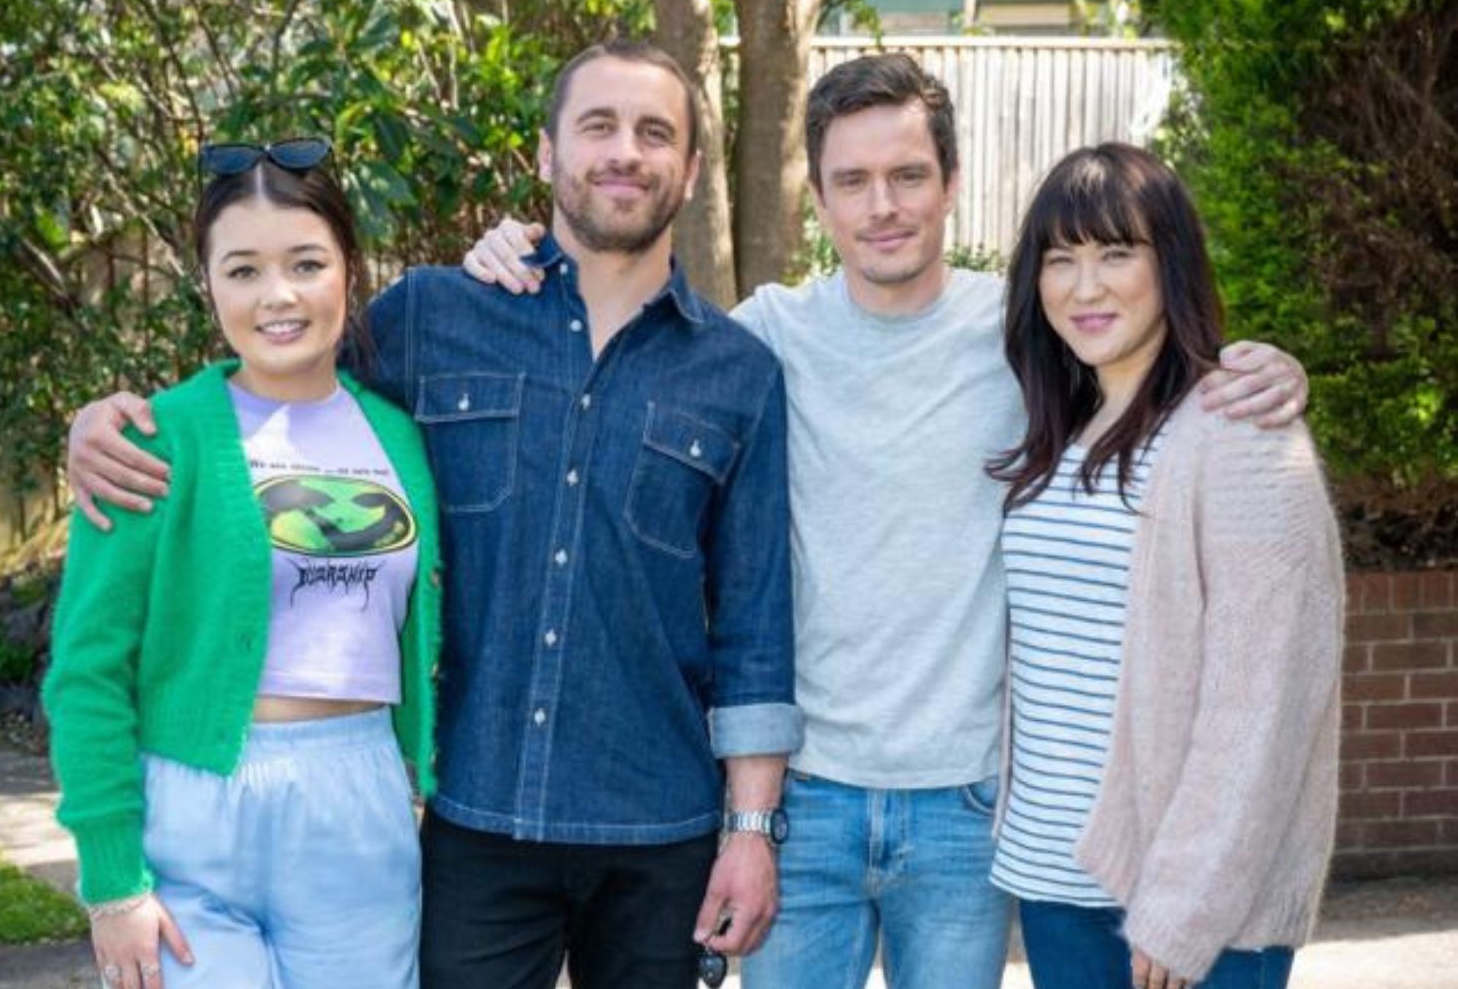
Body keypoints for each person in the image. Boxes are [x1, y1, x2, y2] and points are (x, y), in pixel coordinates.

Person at [462, 54, 1311, 989]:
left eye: (908, 176)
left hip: (969, 806)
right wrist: (516, 251)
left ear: (950, 185)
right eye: (852, 183)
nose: (883, 207)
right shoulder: (762, 341)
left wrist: (1258, 367)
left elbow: (1152, 374)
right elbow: (632, 322)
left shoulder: (1032, 337)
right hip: (805, 803)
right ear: (819, 201)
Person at [64, 41, 800, 989]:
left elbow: (753, 627)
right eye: (598, 127)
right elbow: (275, 382)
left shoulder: (737, 374)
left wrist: (750, 832)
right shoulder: (431, 317)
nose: (626, 151)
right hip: (475, 820)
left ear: (692, 169)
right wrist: (107, 423)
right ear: (545, 155)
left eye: (655, 132)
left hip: (657, 827)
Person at [44, 138, 442, 989]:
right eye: (243, 271)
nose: (278, 296)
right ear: (209, 284)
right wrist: (111, 884)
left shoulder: (402, 437)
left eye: (305, 263)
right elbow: (86, 672)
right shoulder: (150, 437)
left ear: (349, 269)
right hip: (192, 815)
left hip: (358, 804)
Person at [986, 142, 1342, 989]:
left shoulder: (1238, 430)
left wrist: (1184, 907)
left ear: (1170, 263)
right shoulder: (1058, 436)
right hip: (1054, 883)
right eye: (1061, 259)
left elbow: (1262, 702)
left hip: (1189, 909)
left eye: (1116, 253)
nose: (1086, 286)